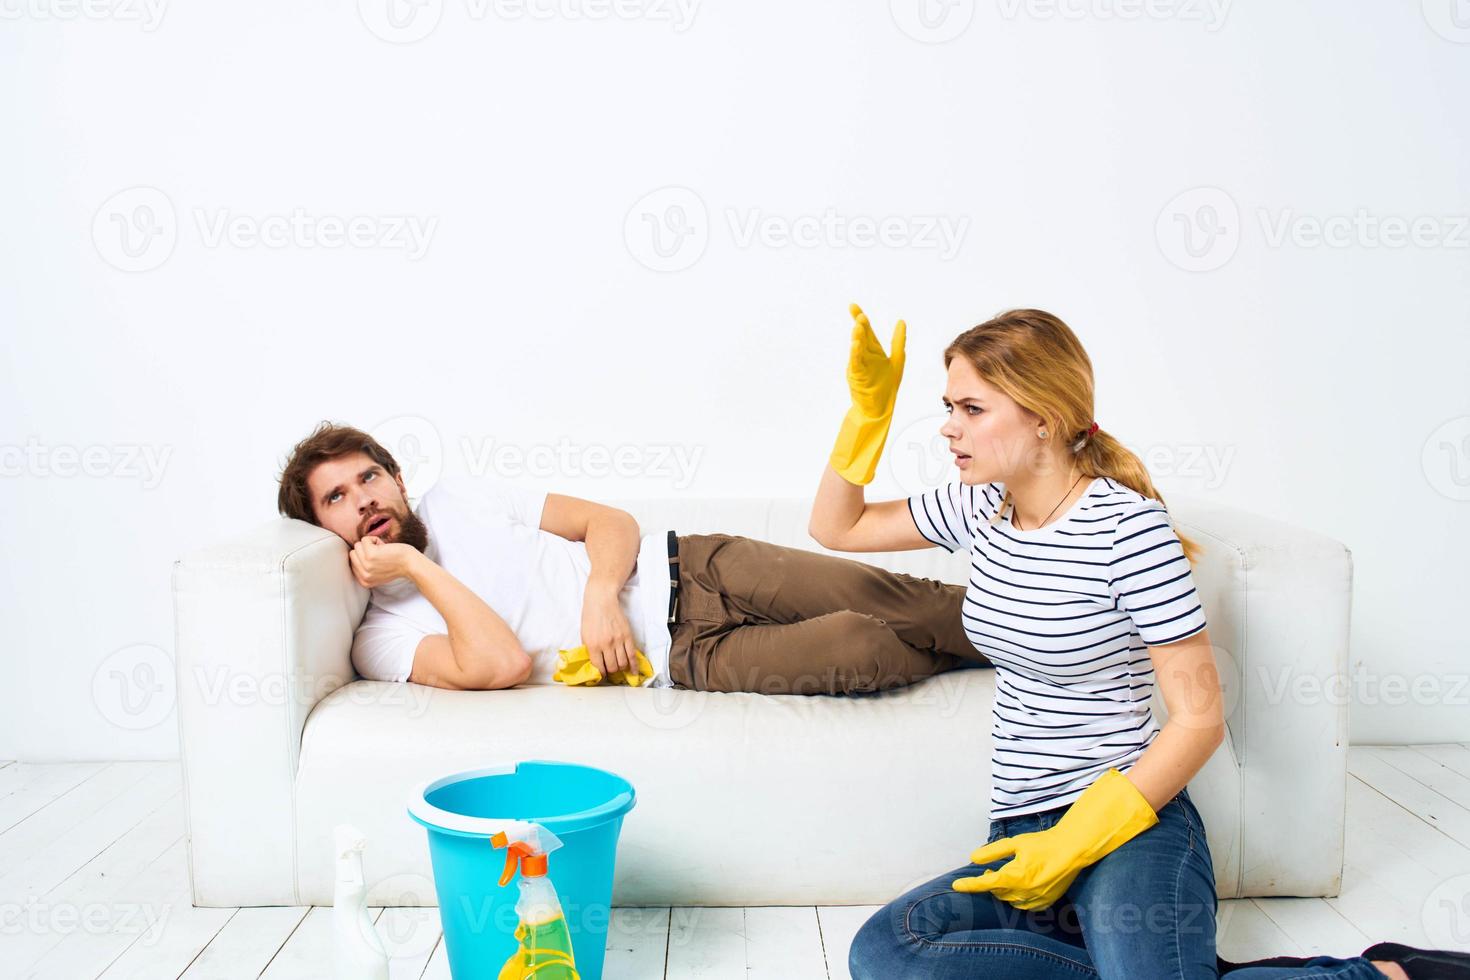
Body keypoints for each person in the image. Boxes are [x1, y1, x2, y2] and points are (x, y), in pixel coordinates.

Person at [812, 306, 1467, 979]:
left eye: (972, 409)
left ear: (1044, 414)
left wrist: (1081, 837)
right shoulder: (982, 506)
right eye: (948, 405)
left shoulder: (1130, 530)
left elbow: (1199, 720)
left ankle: (1381, 976)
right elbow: (839, 527)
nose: (948, 427)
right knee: (886, 953)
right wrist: (867, 415)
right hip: (1020, 832)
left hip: (1130, 824)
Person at [273, 419, 991, 693]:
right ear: (323, 528)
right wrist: (417, 569)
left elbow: (607, 522)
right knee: (860, 647)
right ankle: (1019, 653)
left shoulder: (460, 497)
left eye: (369, 477)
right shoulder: (379, 638)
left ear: (397, 479)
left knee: (904, 603)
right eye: (336, 497)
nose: (362, 498)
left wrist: (599, 594)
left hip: (694, 567)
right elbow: (500, 664)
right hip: (683, 661)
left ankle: (1067, 636)